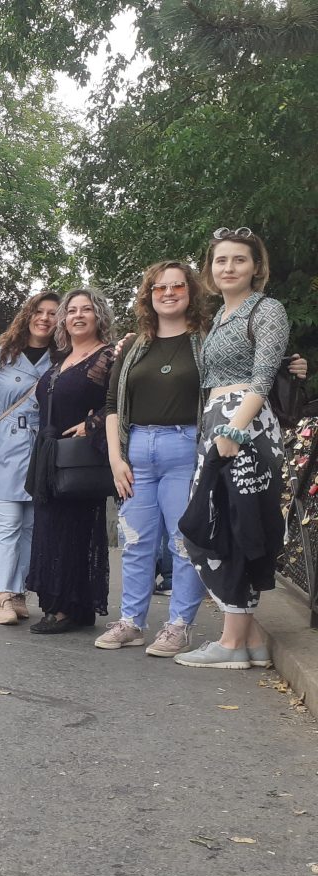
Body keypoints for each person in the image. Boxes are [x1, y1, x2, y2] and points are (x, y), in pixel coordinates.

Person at [175, 228, 290, 669]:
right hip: (217, 422)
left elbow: (263, 378)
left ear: (255, 267)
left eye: (239, 260)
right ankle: (253, 639)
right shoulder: (219, 317)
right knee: (210, 525)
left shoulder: (267, 310)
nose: (228, 268)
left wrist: (235, 431)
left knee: (234, 527)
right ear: (210, 269)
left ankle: (231, 645)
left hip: (245, 426)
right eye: (221, 261)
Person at [97, 262, 210, 656]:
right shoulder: (132, 346)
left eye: (178, 286)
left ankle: (179, 625)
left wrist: (292, 366)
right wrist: (115, 459)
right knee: (136, 541)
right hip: (137, 451)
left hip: (186, 448)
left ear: (190, 292)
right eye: (160, 287)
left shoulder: (205, 341)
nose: (168, 292)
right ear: (149, 295)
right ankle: (132, 622)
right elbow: (112, 405)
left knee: (184, 542)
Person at [26, 287, 116, 634]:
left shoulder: (107, 356)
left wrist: (92, 424)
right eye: (72, 310)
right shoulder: (60, 358)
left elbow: (118, 402)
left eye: (86, 309)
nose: (78, 315)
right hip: (51, 455)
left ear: (98, 316)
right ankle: (66, 604)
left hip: (81, 456)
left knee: (75, 528)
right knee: (51, 526)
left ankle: (67, 607)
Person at [0, 290, 60, 625]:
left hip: (43, 447)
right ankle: (2, 594)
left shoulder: (63, 357)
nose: (44, 318)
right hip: (6, 446)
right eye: (38, 311)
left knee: (31, 525)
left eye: (53, 313)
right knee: (9, 523)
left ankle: (18, 592)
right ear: (27, 315)